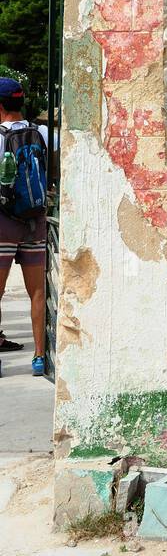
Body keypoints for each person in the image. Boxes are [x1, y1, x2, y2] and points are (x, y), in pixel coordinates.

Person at [0, 77, 48, 376]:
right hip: (36, 221)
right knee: (38, 293)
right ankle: (40, 357)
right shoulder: (42, 133)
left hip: (3, 222)